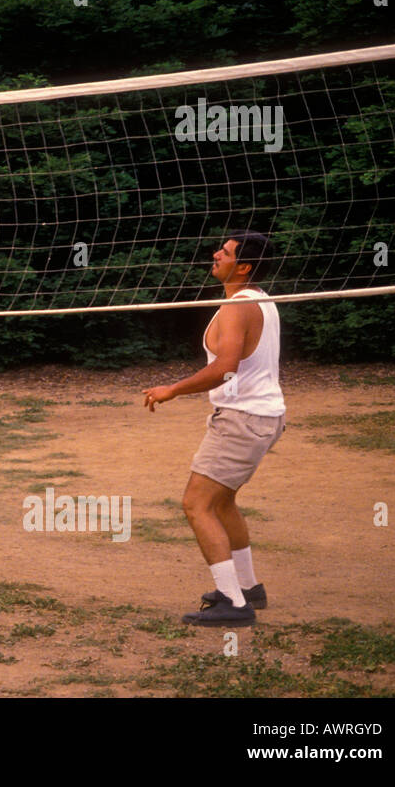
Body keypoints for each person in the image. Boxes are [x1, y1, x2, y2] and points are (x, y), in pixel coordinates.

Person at [142, 231, 285, 626]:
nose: (215, 254)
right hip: (261, 417)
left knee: (197, 504)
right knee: (222, 503)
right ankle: (248, 588)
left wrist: (172, 389)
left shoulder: (240, 306)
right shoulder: (259, 299)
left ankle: (233, 603)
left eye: (224, 252)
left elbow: (225, 369)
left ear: (243, 267)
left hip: (244, 421)